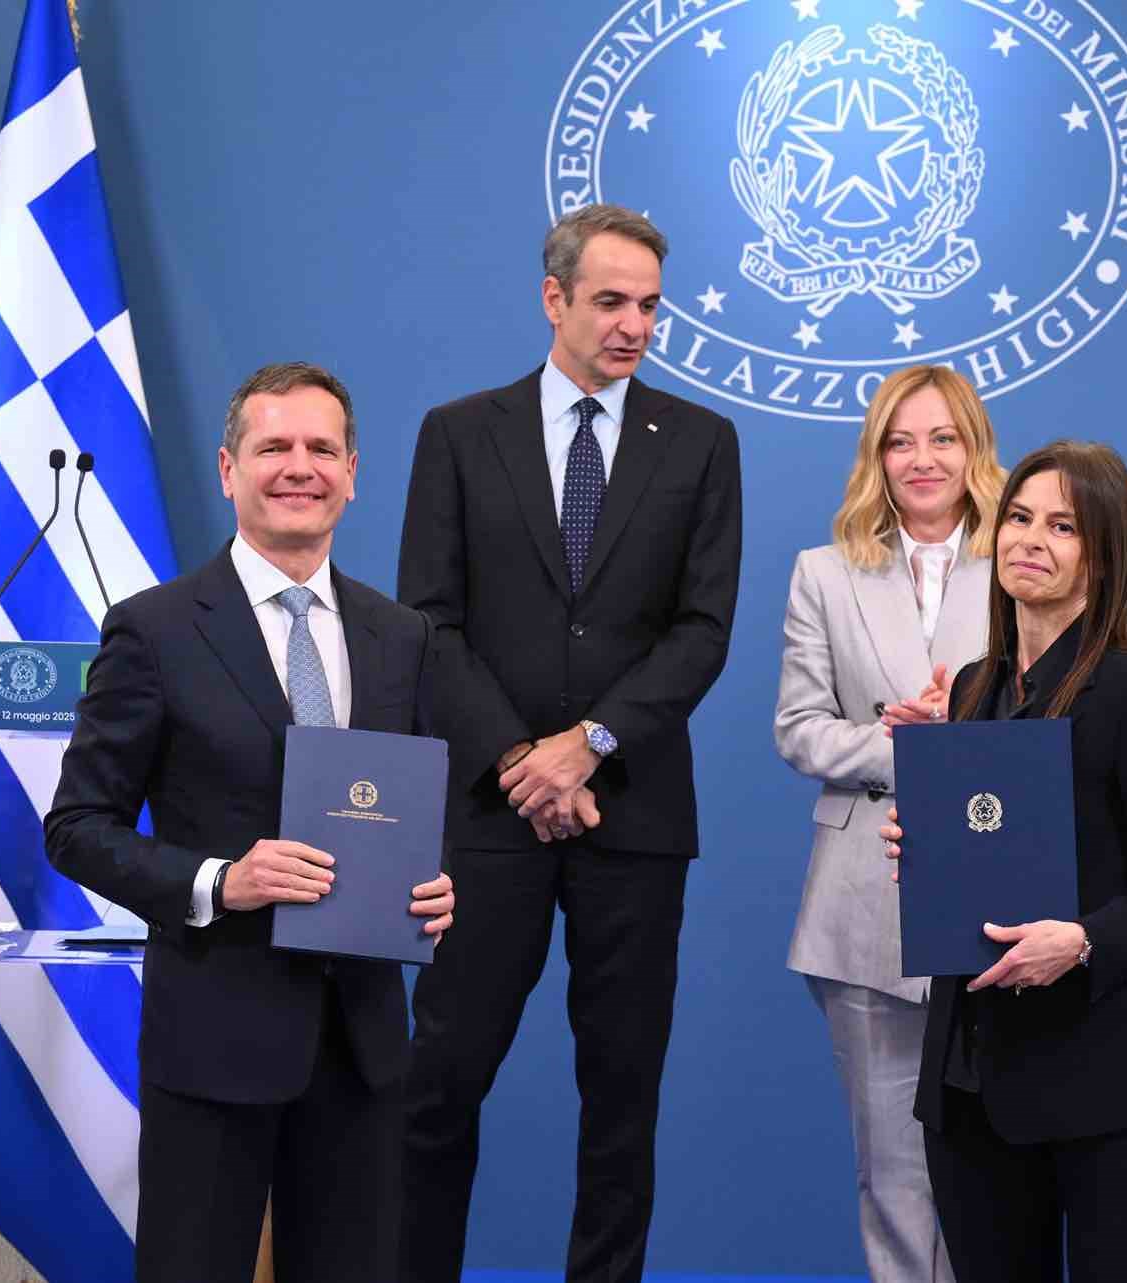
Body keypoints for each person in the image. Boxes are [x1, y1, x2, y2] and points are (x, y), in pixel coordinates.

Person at [44, 362, 456, 1283]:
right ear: (229, 469)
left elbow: (423, 803)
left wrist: (437, 882)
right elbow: (76, 824)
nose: (298, 467)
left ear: (354, 471)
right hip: (215, 1032)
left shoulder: (403, 635)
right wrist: (219, 881)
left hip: (361, 1044)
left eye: (321, 448)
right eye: (273, 447)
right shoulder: (153, 630)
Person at [394, 204, 743, 1283]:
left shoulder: (699, 441)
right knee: (437, 1084)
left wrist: (584, 745)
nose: (634, 324)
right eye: (610, 301)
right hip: (489, 819)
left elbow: (702, 631)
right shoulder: (460, 432)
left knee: (621, 1100)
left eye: (648, 304)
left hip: (631, 817)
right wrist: (519, 760)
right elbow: (430, 621)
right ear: (554, 299)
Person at [880, 441, 1127, 1283]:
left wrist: (1083, 939)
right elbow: (979, 843)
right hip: (970, 1079)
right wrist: (917, 845)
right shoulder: (972, 688)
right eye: (1021, 517)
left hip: (1104, 1077)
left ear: (1105, 554)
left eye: (1063, 525)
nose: (1031, 538)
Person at [773, 365, 1004, 1283]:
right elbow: (799, 729)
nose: (922, 459)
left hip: (997, 879)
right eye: (901, 440)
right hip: (864, 895)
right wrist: (902, 746)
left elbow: (1062, 715)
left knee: (999, 1155)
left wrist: (964, 735)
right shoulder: (824, 573)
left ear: (974, 450)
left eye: (943, 437)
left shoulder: (1024, 559)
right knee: (893, 1167)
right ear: (877, 454)